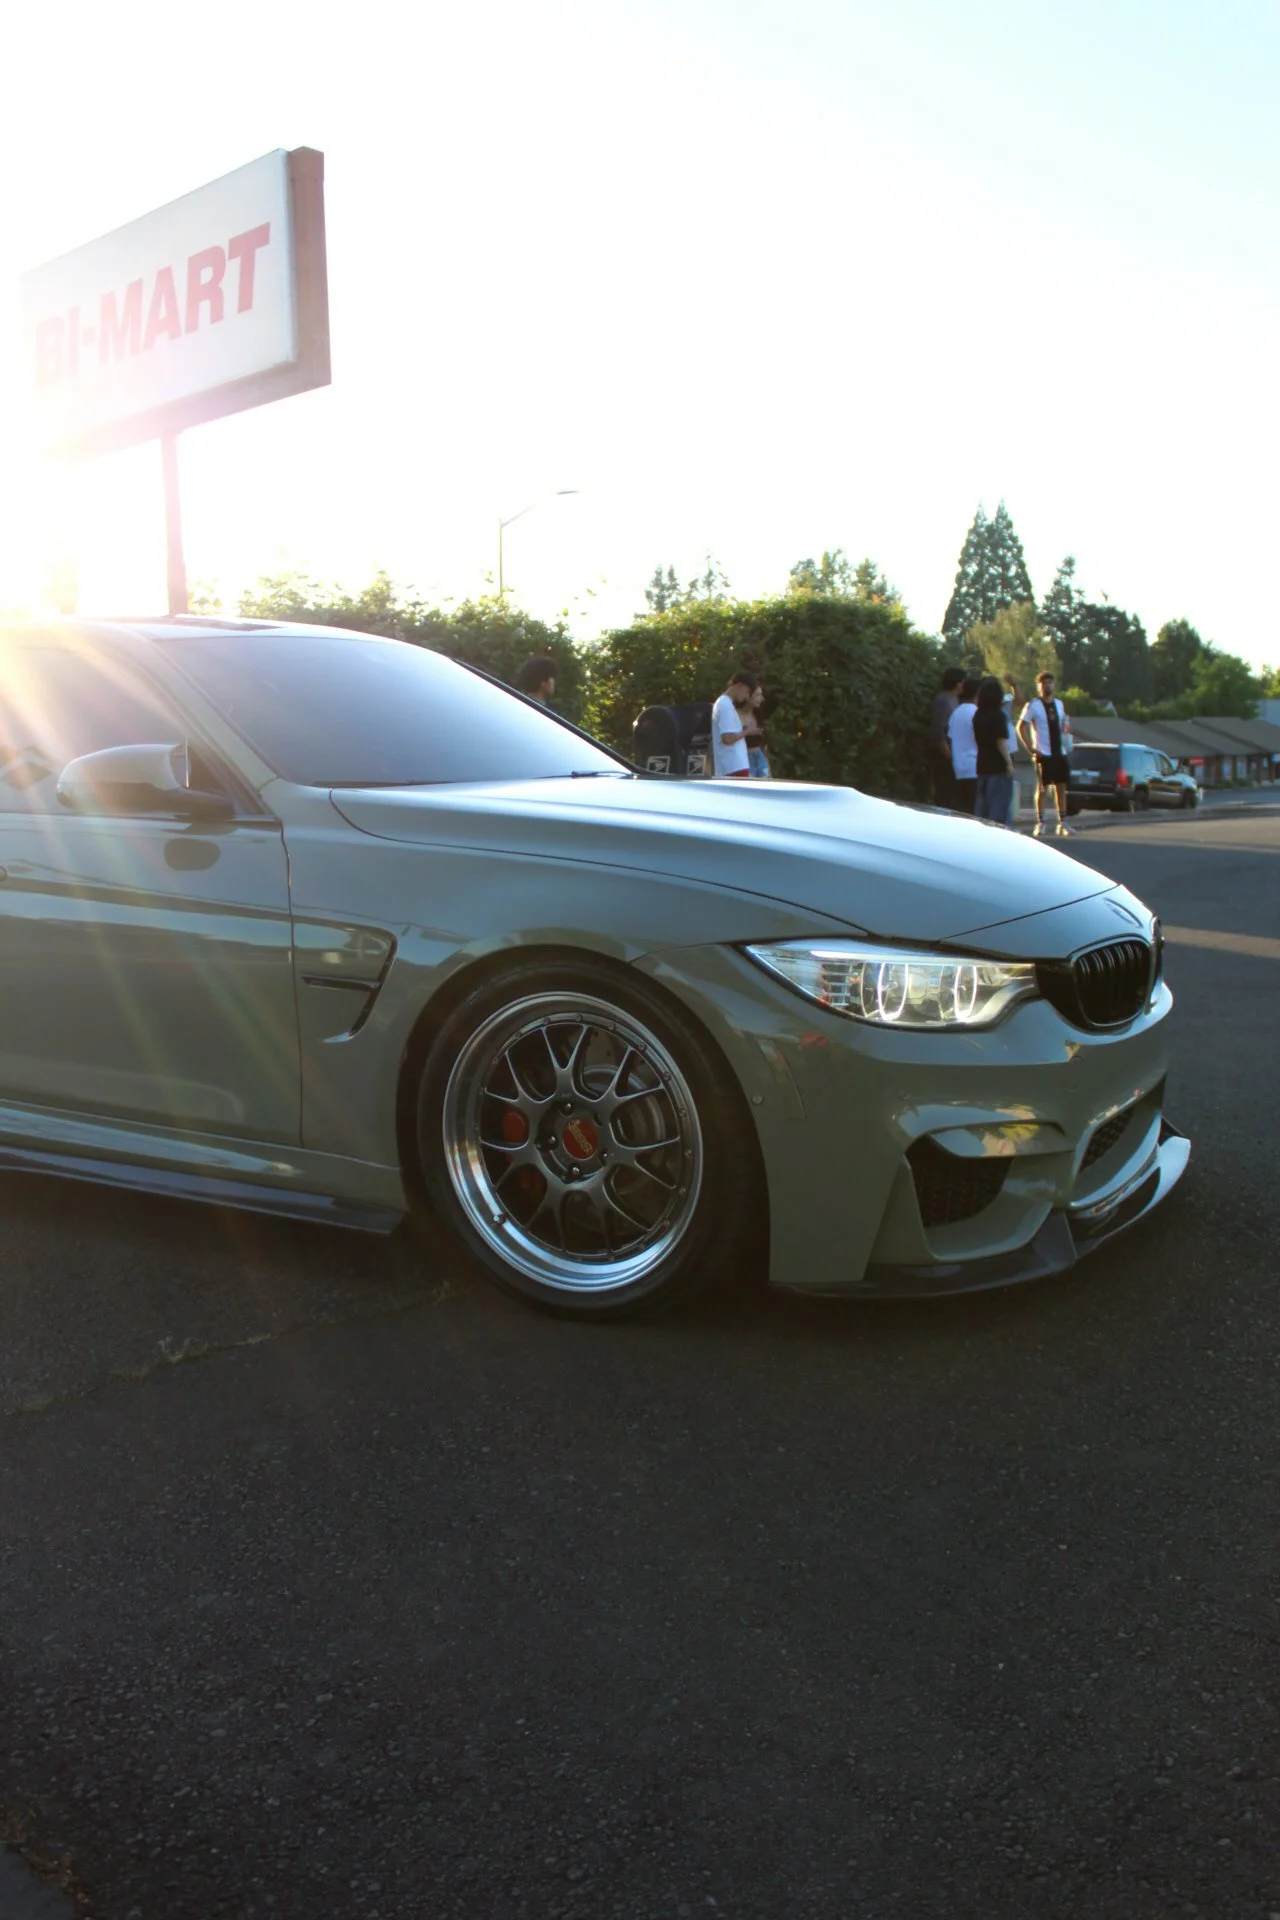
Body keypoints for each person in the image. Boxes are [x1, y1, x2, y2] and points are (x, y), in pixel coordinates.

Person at [1017, 670, 1073, 836]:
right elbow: (1021, 726)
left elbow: (1063, 723)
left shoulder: (1059, 704)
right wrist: (1030, 748)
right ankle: (1041, 822)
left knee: (1061, 787)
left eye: (1050, 682)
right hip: (1044, 752)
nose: (1047, 685)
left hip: (1059, 751)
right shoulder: (1033, 705)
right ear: (1039, 686)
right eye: (1044, 683)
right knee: (1042, 788)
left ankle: (1062, 822)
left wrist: (1066, 729)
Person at [973, 676, 1015, 825]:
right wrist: (1009, 763)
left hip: (982, 764)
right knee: (999, 809)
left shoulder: (977, 716)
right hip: (998, 767)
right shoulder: (999, 716)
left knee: (983, 807)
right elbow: (1001, 741)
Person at [711, 670, 757, 778]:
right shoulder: (724, 705)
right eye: (747, 691)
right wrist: (747, 731)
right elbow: (727, 738)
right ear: (740, 685)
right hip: (733, 766)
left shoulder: (726, 704)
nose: (746, 696)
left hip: (734, 766)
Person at [929, 667, 965, 807]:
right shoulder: (943, 701)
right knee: (944, 792)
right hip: (944, 754)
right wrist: (949, 756)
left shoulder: (955, 700)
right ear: (957, 683)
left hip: (953, 752)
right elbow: (938, 732)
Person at [946, 675, 980, 813]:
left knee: (963, 811)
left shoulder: (955, 713)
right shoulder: (976, 713)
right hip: (975, 767)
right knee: (976, 812)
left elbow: (950, 737)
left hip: (959, 768)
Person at [743, 683, 772, 778]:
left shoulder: (757, 715)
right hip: (745, 760)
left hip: (761, 759)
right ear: (747, 696)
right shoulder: (736, 716)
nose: (762, 698)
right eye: (758, 695)